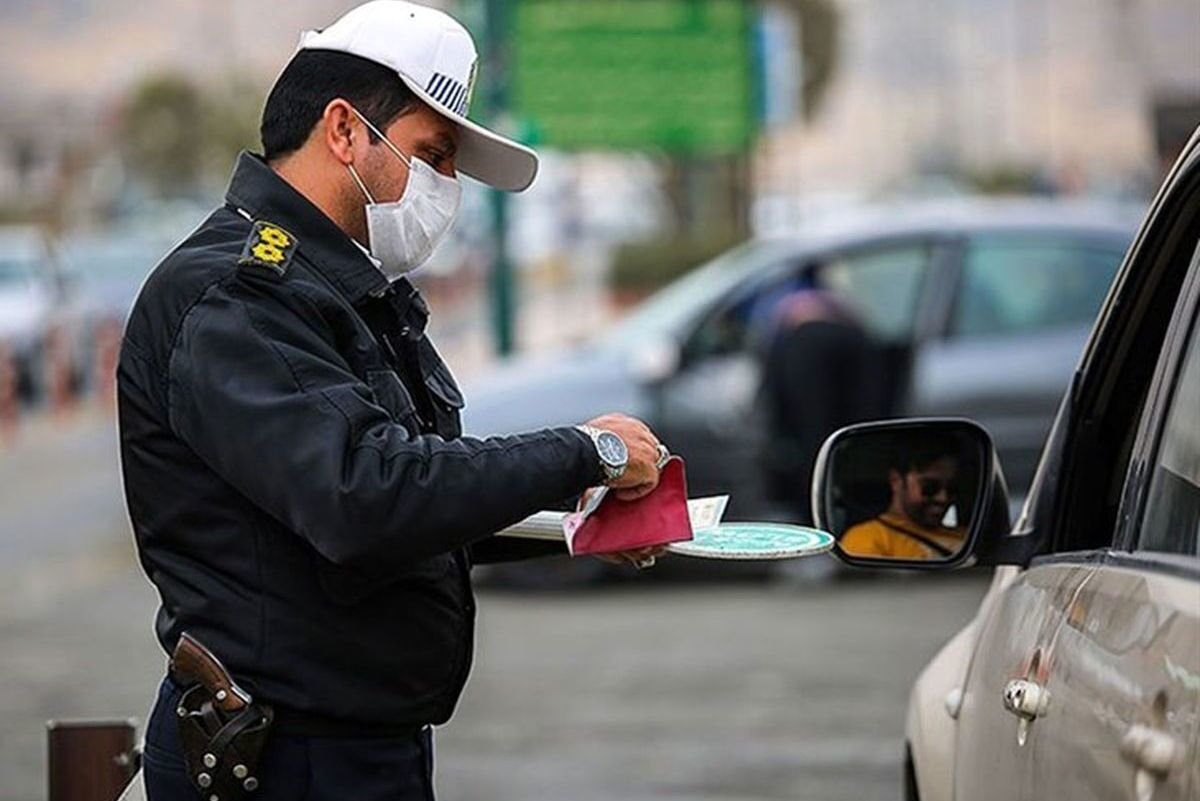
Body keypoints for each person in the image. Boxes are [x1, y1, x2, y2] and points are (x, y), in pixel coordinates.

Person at [117, 3, 666, 799]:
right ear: (344, 132)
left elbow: (411, 510)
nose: (445, 188)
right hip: (281, 758)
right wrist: (591, 450)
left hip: (353, 748)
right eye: (432, 154)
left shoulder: (337, 291)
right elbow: (364, 495)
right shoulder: (238, 294)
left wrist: (577, 524)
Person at [839, 436, 968, 560]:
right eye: (929, 487)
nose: (943, 498)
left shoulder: (968, 536)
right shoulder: (867, 539)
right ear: (896, 481)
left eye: (953, 489)